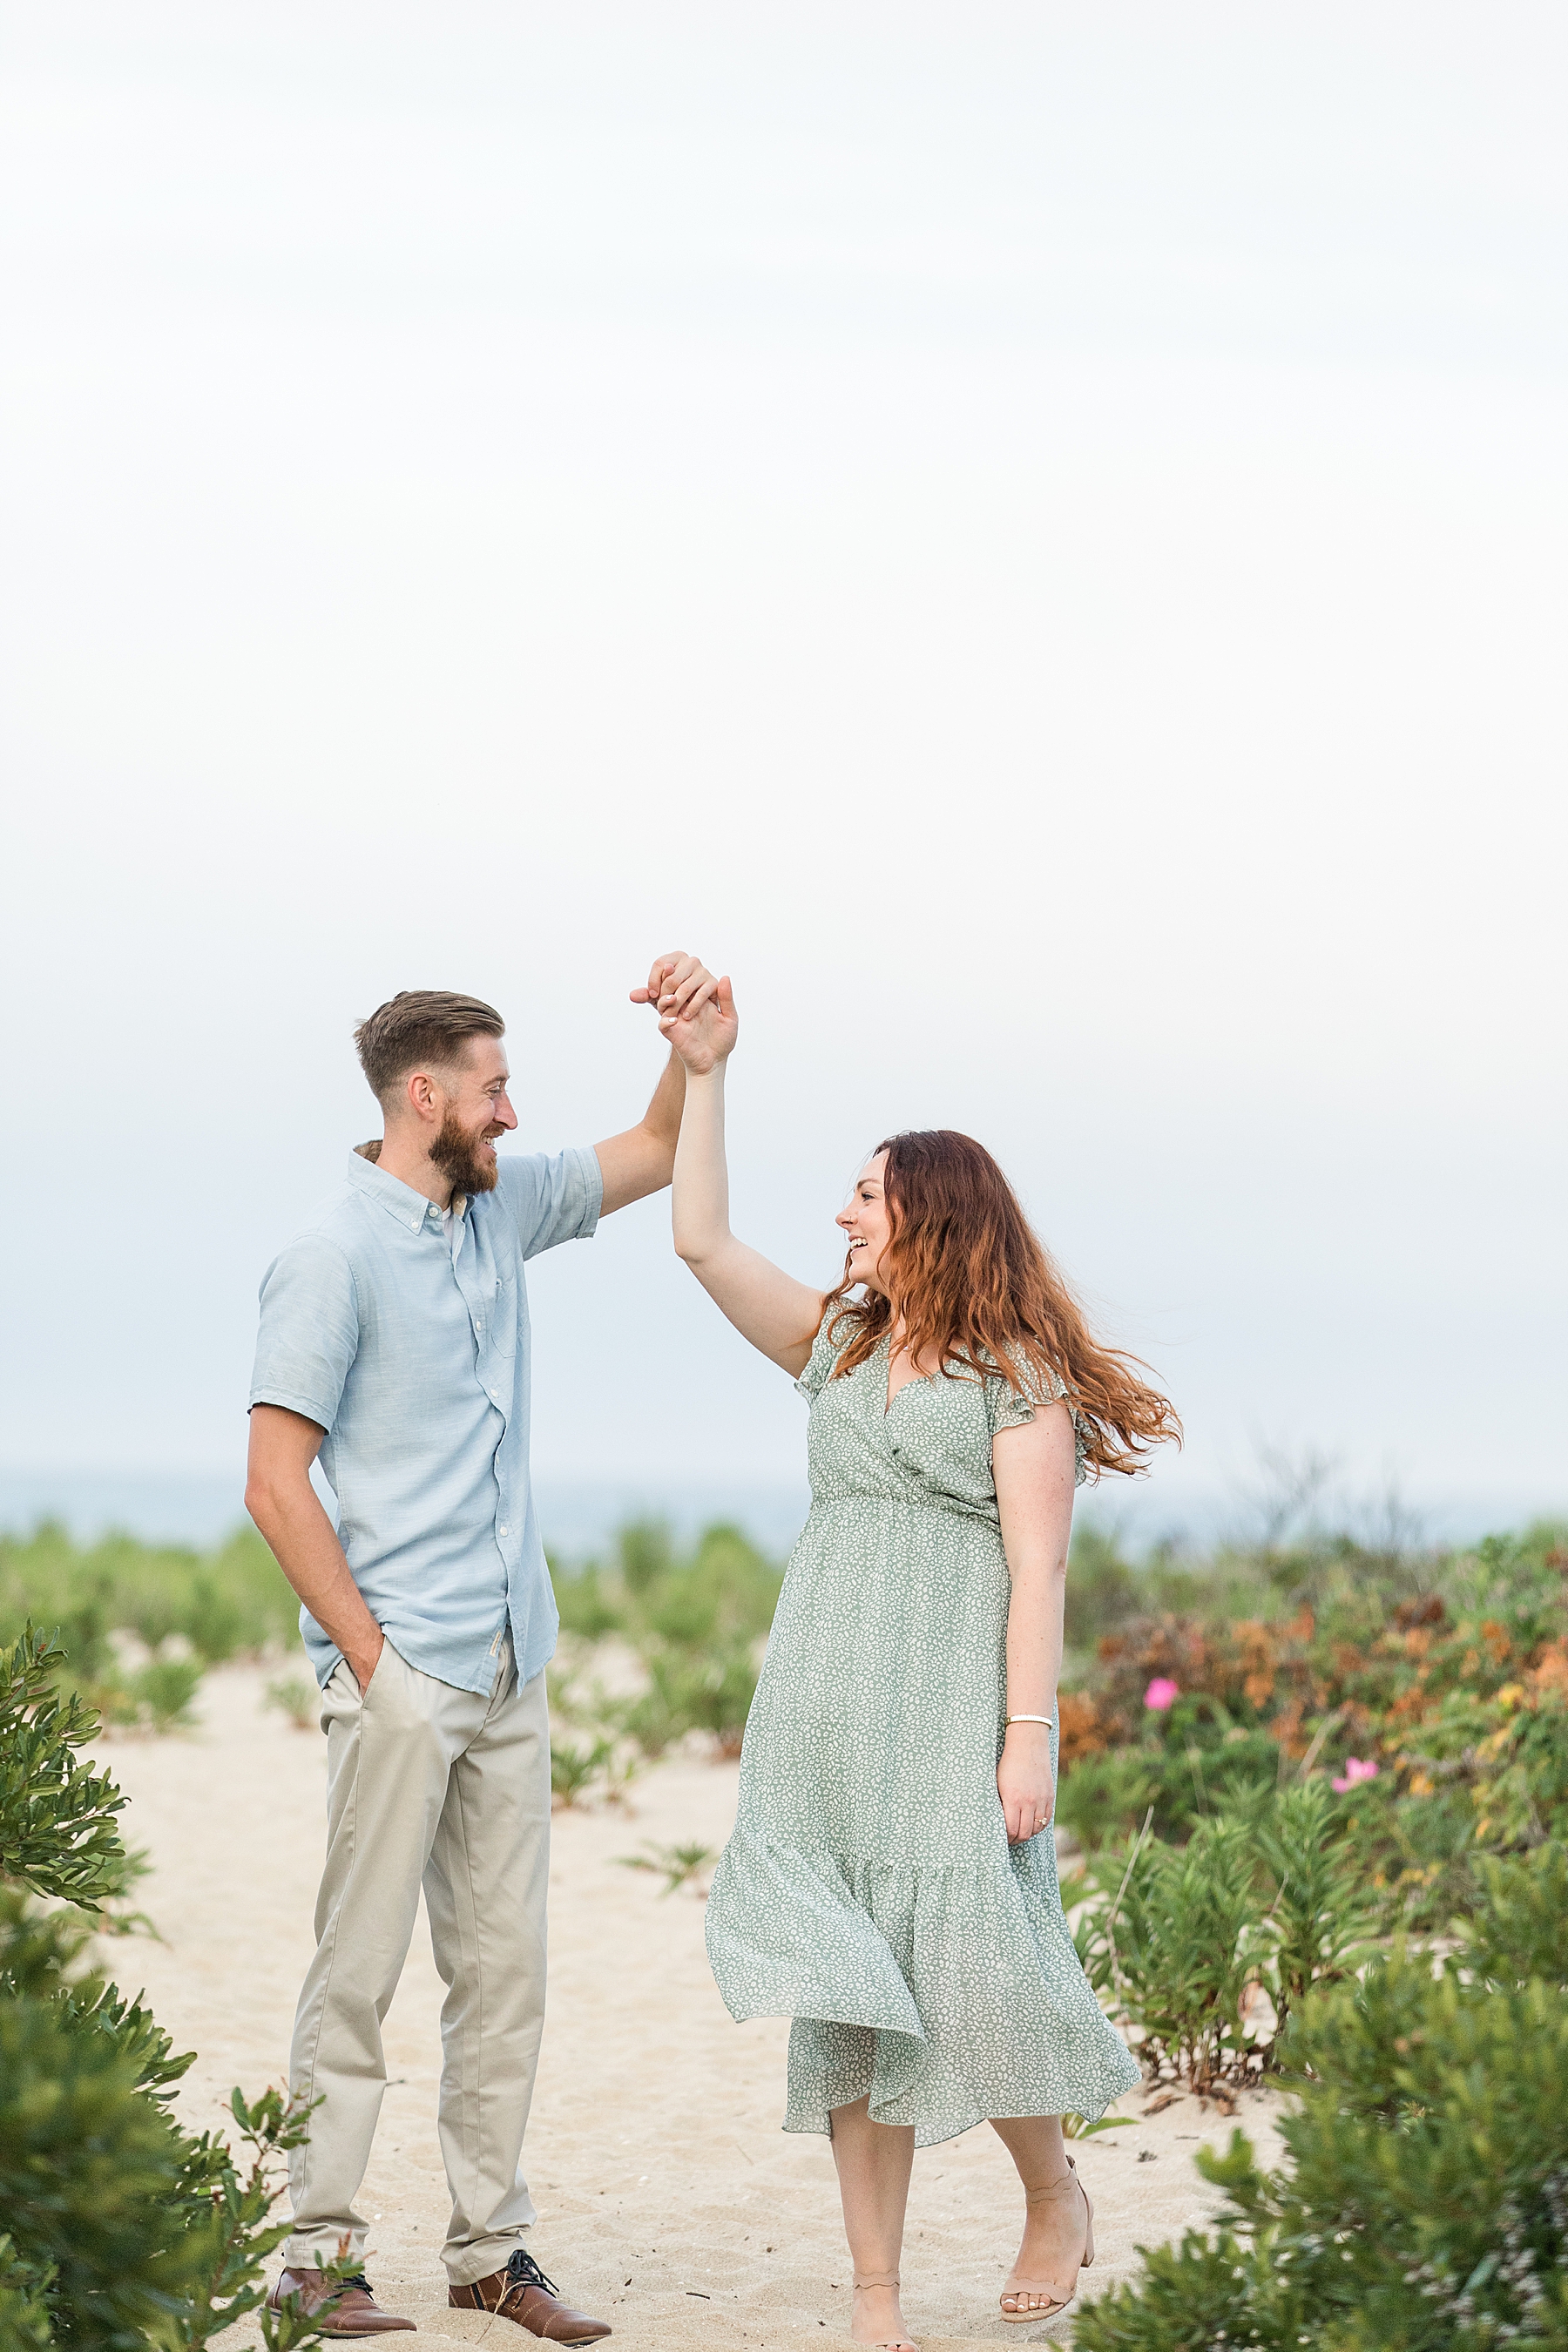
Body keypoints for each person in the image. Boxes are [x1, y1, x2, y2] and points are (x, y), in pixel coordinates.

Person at [661, 978, 1180, 2348]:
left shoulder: (1021, 1380)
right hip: (822, 1701)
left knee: (972, 1977)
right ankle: (877, 2298)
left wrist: (1028, 1736)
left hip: (951, 1707)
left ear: (931, 1218)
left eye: (866, 1197)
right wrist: (707, 1072)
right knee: (843, 1991)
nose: (842, 1216)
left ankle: (1052, 2190)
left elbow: (1038, 1572)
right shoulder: (839, 1345)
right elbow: (702, 1240)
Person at [246, 955, 718, 2342]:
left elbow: (649, 1148)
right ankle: (313, 2255)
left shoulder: (498, 1216)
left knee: (505, 1976)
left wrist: (697, 1054)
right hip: (406, 1676)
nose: (513, 1115)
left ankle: (488, 2255)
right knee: (360, 1969)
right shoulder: (328, 1258)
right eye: (496, 1089)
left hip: (516, 1667)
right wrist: (375, 1664)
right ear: (421, 1095)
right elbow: (278, 1483)